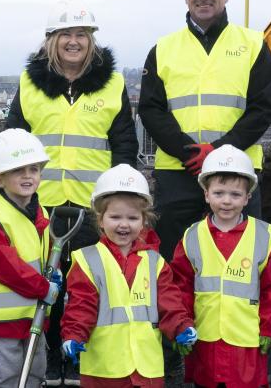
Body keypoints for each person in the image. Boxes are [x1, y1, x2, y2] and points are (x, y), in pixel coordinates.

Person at [3, 0, 137, 383]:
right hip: (41, 204)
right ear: (51, 40)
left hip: (91, 206)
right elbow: (14, 138)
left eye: (81, 34)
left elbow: (124, 143)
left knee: (87, 284)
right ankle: (51, 360)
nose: (73, 41)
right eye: (66, 35)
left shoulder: (112, 82)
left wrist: (119, 194)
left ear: (91, 40)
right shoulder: (31, 82)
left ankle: (80, 357)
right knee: (48, 286)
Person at [139, 0, 271, 260]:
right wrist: (190, 153)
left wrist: (219, 153)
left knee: (241, 256)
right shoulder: (163, 49)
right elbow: (151, 109)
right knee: (174, 257)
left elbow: (261, 108)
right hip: (178, 172)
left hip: (239, 170)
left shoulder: (253, 45)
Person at [166, 145, 271, 388]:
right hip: (205, 342)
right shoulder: (192, 236)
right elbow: (178, 287)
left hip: (246, 344)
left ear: (248, 198)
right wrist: (180, 325)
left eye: (235, 195)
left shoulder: (263, 237)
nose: (226, 201)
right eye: (219, 193)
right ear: (206, 194)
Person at [60, 165, 191, 388]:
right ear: (100, 220)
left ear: (144, 221)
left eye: (132, 217)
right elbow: (81, 306)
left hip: (146, 367)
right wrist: (73, 336)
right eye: (115, 216)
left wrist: (181, 327)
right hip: (104, 369)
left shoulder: (155, 262)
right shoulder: (87, 260)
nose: (124, 224)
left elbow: (170, 303)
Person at [0, 129, 64, 388]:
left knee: (35, 375)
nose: (27, 176)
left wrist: (52, 273)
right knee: (10, 379)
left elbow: (39, 254)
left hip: (33, 314)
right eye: (18, 170)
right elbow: (6, 266)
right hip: (1, 320)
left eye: (33, 169)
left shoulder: (41, 211)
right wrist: (44, 287)